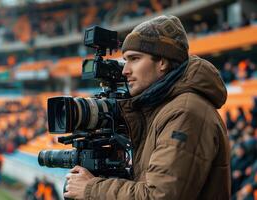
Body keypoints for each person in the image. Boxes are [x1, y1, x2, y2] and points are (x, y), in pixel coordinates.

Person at [64, 15, 231, 199]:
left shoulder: (184, 111)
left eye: (134, 59)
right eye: (125, 60)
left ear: (162, 62)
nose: (125, 70)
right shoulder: (163, 107)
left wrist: (91, 188)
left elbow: (159, 195)